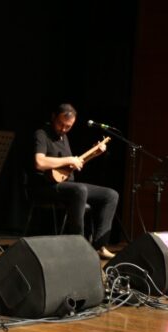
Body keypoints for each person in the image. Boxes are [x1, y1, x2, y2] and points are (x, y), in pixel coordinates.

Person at [31, 103, 118, 259]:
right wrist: (69, 159)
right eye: (60, 124)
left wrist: (94, 154)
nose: (63, 129)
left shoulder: (64, 137)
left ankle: (99, 246)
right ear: (53, 117)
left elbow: (68, 167)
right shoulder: (42, 134)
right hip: (45, 186)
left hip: (67, 184)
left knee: (111, 195)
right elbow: (40, 162)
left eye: (68, 127)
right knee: (80, 190)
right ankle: (77, 246)